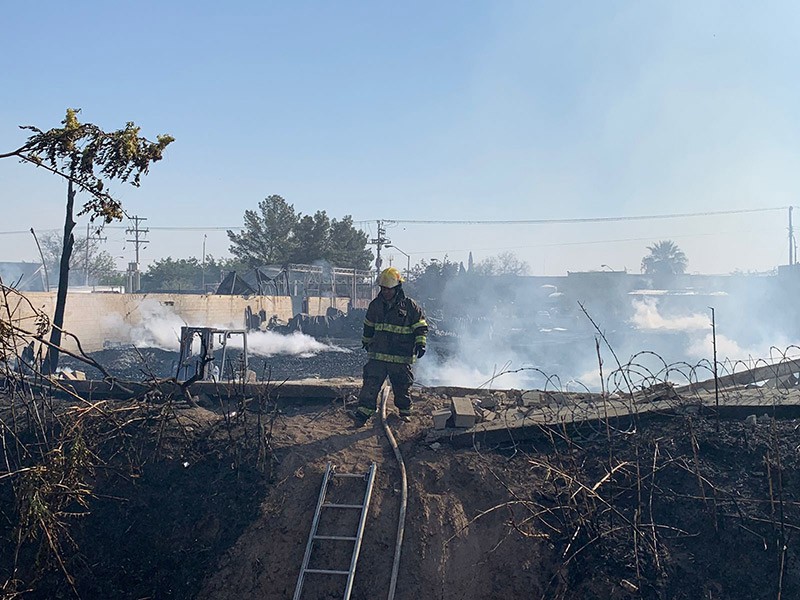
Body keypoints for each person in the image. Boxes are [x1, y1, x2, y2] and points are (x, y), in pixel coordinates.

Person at [350, 267, 428, 426]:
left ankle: (404, 413)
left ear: (397, 287)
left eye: (388, 289)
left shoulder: (410, 306)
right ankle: (362, 415)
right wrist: (366, 340)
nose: (385, 292)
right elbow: (369, 325)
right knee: (370, 385)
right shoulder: (375, 305)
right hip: (378, 355)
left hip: (400, 356)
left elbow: (420, 325)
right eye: (383, 288)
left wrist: (420, 343)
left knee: (401, 386)